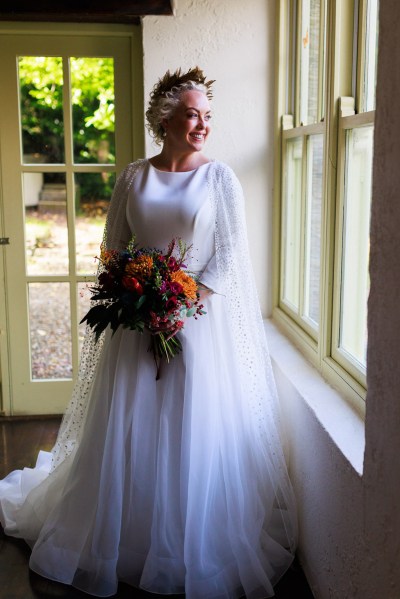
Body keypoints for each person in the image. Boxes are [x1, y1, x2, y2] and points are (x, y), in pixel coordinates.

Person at [0, 67, 297, 598]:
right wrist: (133, 298)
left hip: (199, 328)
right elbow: (113, 249)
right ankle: (123, 537)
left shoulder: (220, 179)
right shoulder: (133, 177)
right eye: (192, 114)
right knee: (130, 427)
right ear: (166, 117)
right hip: (135, 325)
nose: (203, 123)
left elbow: (229, 259)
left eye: (208, 115)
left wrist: (179, 304)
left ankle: (185, 545)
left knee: (190, 429)